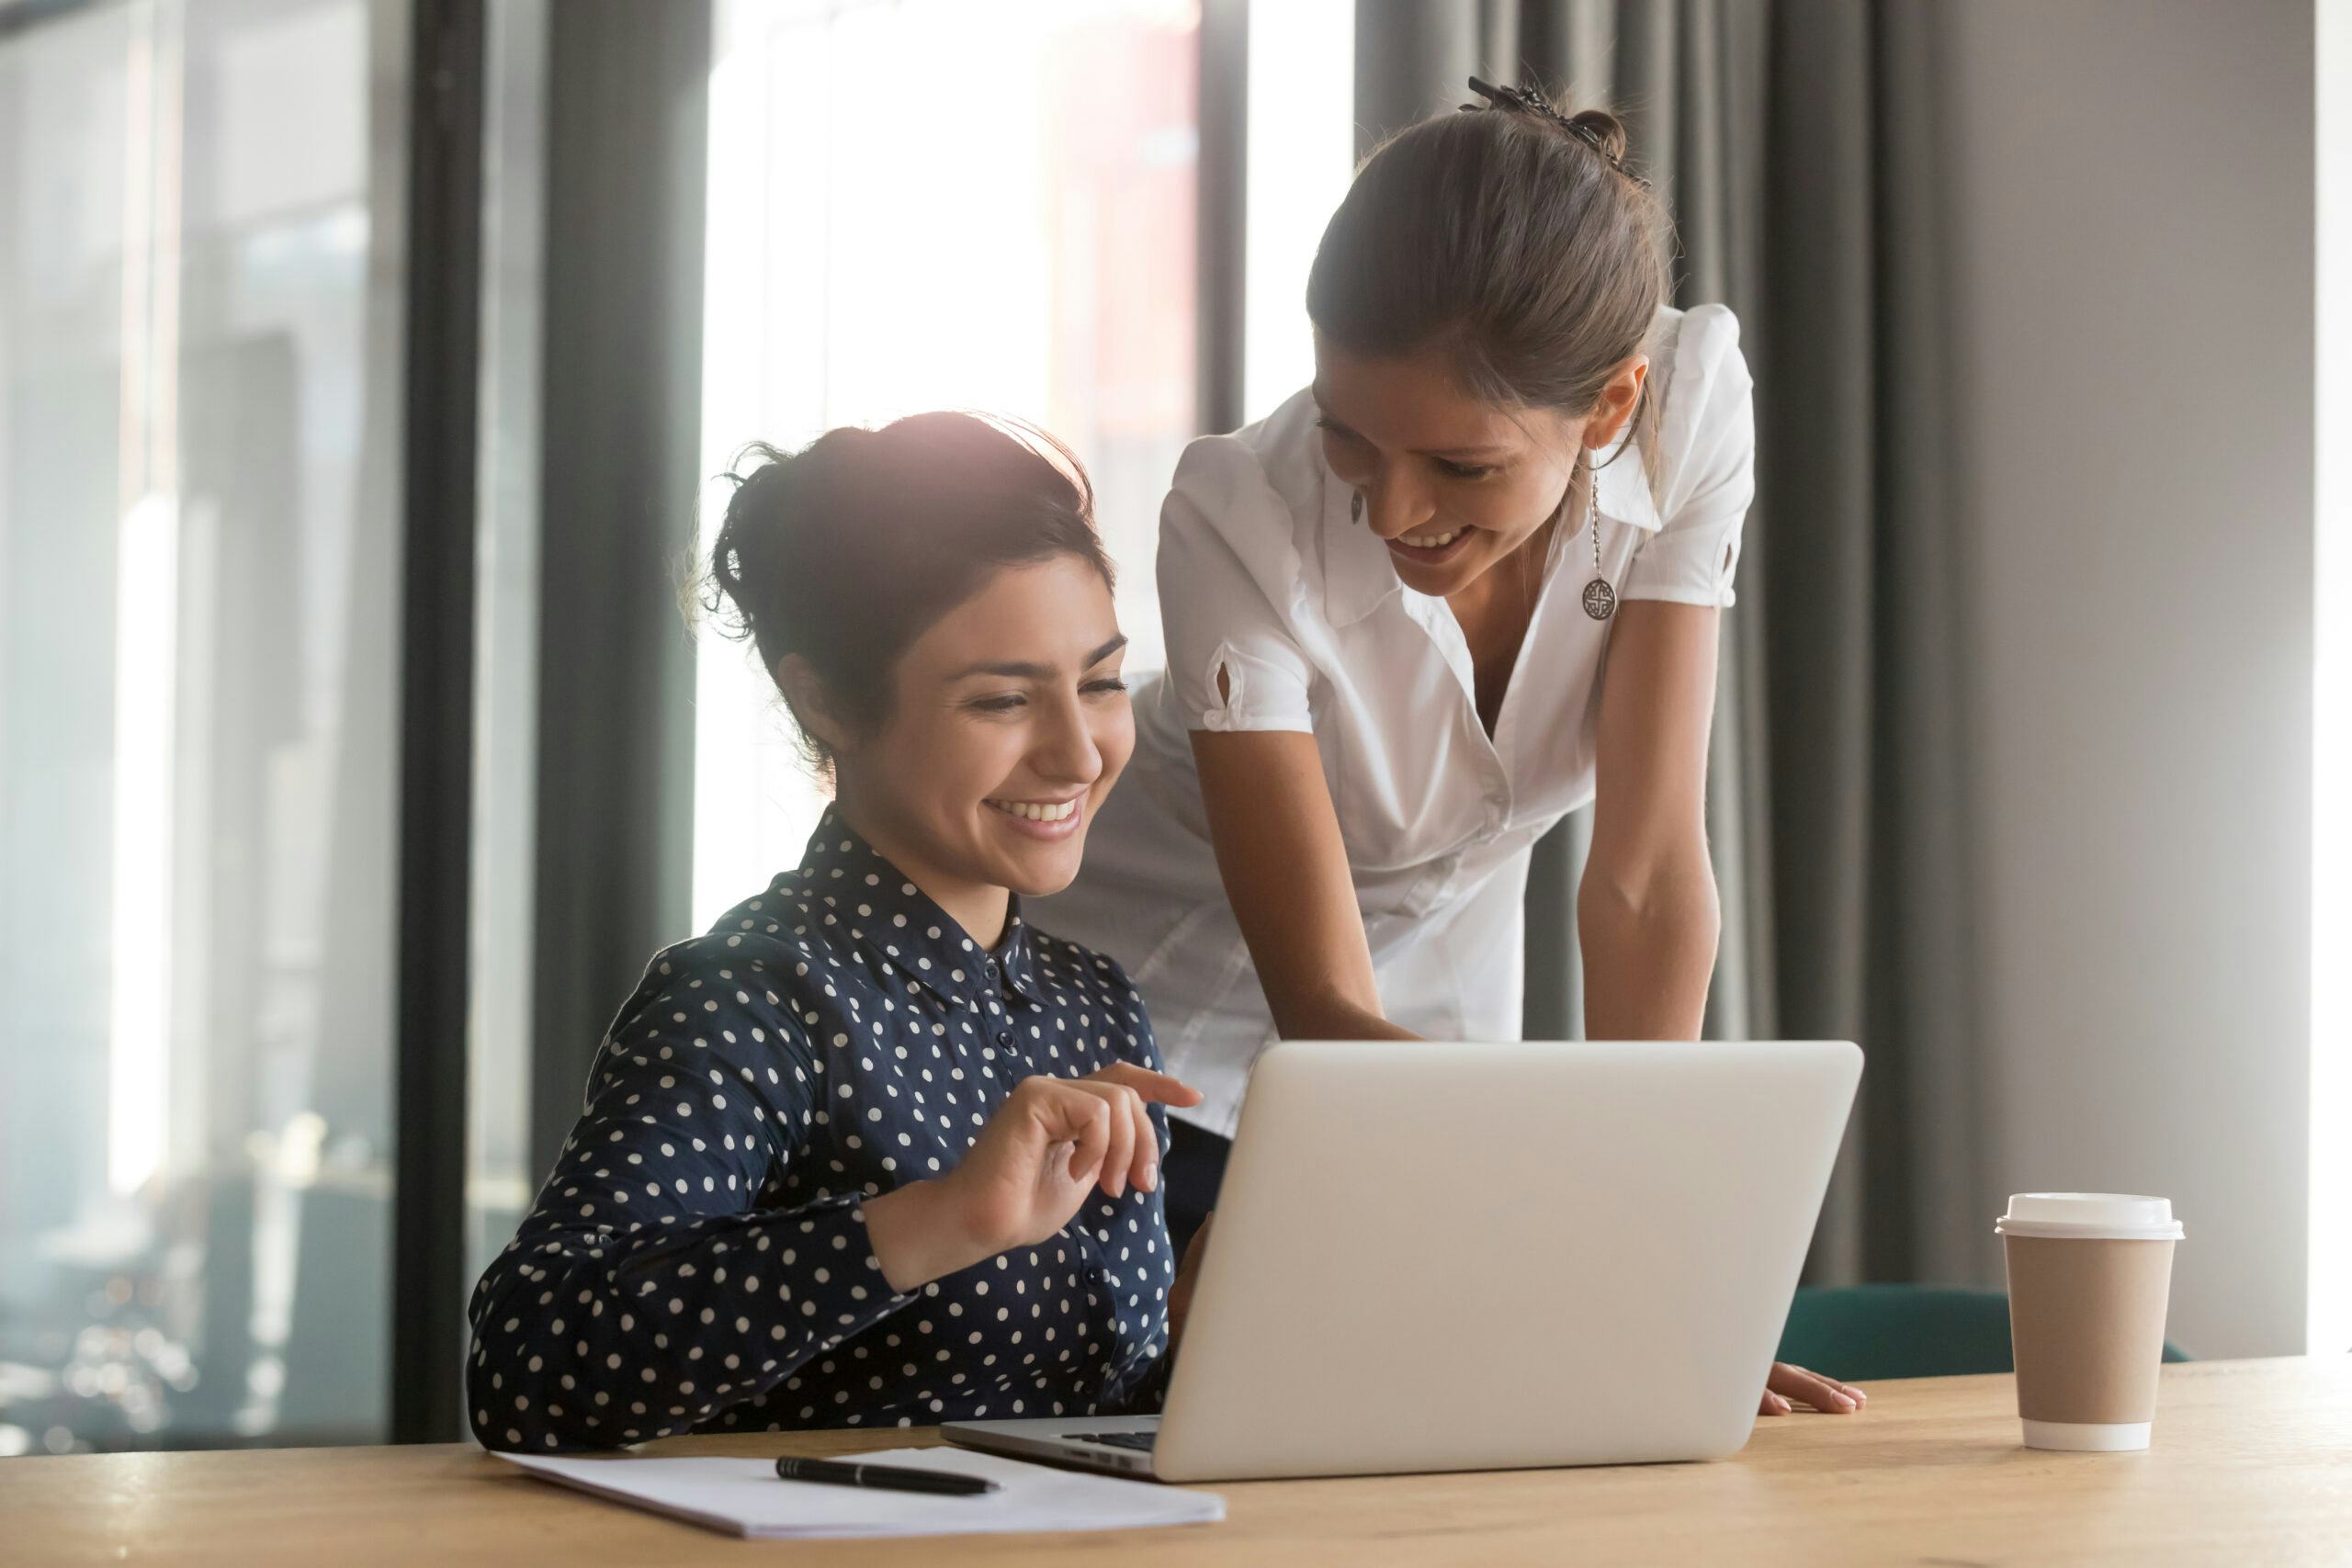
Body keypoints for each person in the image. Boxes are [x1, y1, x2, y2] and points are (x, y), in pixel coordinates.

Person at [1031, 81, 1865, 1418]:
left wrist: (1658, 1276)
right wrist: (1564, 1245)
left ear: (1607, 409)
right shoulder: (1239, 513)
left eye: (1463, 466)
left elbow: (1646, 873)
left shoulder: (1687, 407)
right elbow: (1316, 1008)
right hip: (1166, 1053)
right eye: (1350, 436)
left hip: (1435, 1046)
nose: (1396, 509)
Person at [467, 412, 1202, 1450]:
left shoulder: (1092, 1002)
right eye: (1001, 701)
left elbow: (1083, 1407)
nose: (1078, 754)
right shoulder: (752, 995)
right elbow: (529, 1363)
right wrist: (941, 1220)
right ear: (824, 700)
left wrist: (1212, 1323)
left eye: (1098, 683)